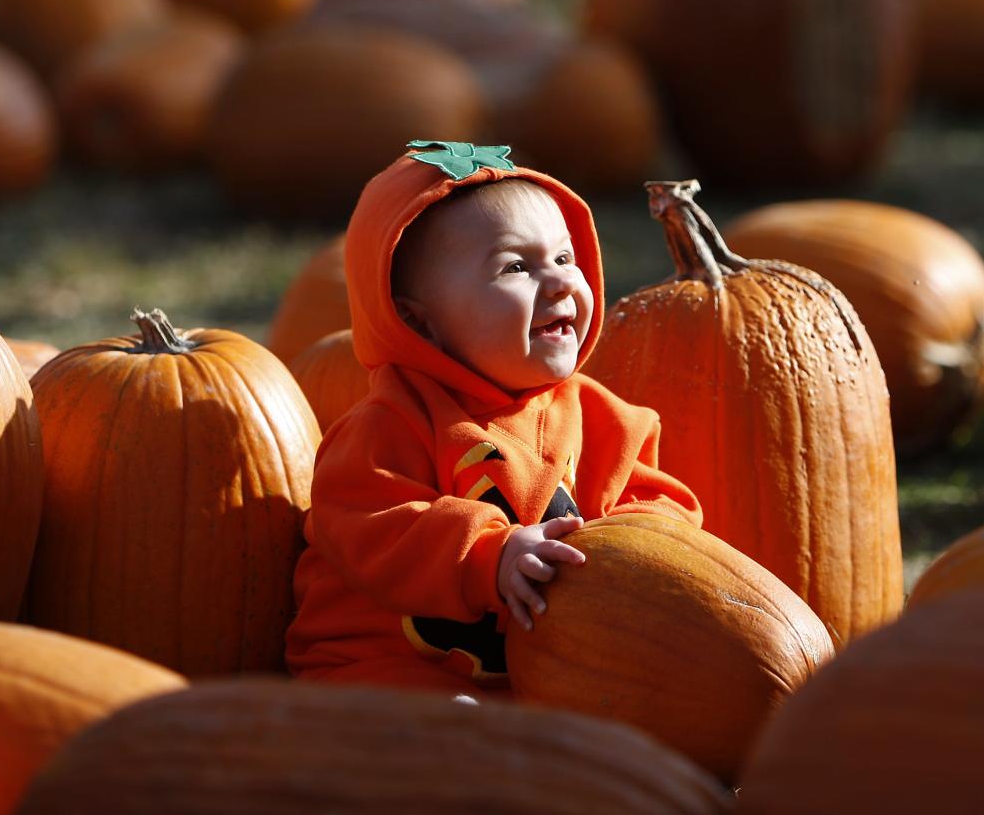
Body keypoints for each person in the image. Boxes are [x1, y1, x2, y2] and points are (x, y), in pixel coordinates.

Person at [285, 140, 702, 697]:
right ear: (419, 323)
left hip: (543, 669)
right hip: (387, 665)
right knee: (437, 725)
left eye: (563, 258)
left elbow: (660, 506)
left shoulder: (603, 416)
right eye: (516, 267)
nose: (558, 282)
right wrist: (492, 554)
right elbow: (374, 525)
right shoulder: (387, 428)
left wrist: (641, 555)